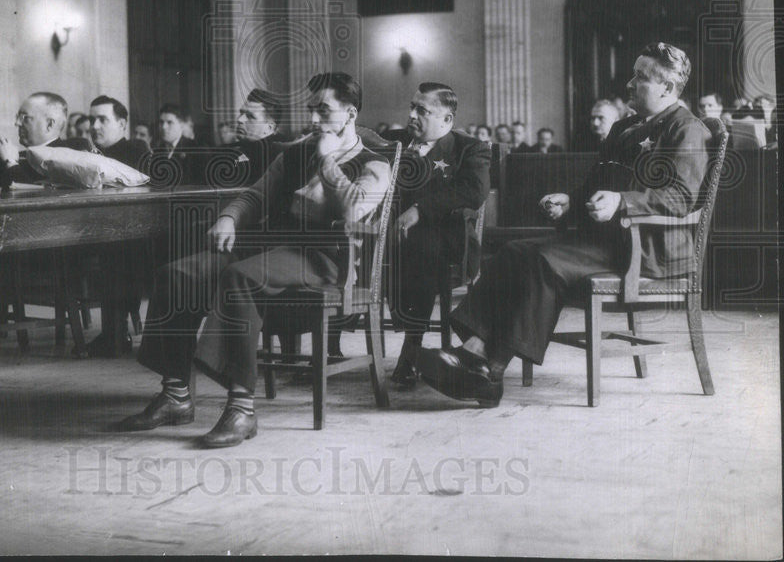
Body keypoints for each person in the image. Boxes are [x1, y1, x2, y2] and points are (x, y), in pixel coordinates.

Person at [415, 43, 710, 408]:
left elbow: (682, 197)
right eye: (633, 74)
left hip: (648, 249)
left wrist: (622, 201)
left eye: (641, 77)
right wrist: (570, 202)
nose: (630, 83)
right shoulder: (625, 127)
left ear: (667, 87)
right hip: (607, 241)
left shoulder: (687, 129)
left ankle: (489, 372)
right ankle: (473, 352)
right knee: (513, 251)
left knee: (543, 261)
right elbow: (593, 186)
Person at [112, 73, 391, 448]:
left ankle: (242, 409)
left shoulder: (375, 164)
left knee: (239, 278)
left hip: (322, 260)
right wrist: (228, 217)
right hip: (270, 248)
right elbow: (254, 197)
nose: (313, 119)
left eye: (323, 110)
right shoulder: (294, 152)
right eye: (311, 110)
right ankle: (175, 394)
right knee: (177, 274)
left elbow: (356, 210)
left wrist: (326, 162)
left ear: (350, 112)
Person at [381, 82, 491, 386]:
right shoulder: (393, 142)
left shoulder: (469, 148)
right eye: (412, 107)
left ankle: (411, 348)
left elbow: (474, 191)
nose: (412, 114)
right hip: (390, 237)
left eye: (422, 110)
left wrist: (421, 209)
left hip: (449, 239)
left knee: (421, 246)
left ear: (447, 120)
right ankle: (334, 344)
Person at [81, 95, 153, 357]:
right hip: (99, 230)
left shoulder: (136, 150)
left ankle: (115, 333)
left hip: (136, 234)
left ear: (122, 124)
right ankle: (113, 332)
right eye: (92, 119)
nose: (95, 125)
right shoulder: (89, 154)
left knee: (116, 252)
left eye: (103, 119)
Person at [0, 92, 92, 191]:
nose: (17, 123)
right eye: (18, 117)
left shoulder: (69, 157)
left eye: (25, 118)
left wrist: (11, 163)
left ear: (49, 124)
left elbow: (39, 196)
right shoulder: (20, 157)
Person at [207, 89, 286, 188]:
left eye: (250, 116)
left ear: (269, 127)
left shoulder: (276, 157)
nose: (240, 119)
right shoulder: (231, 149)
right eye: (241, 113)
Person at [150, 103, 205, 186]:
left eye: (170, 122)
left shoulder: (195, 149)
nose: (164, 127)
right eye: (161, 122)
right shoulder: (155, 151)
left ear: (181, 125)